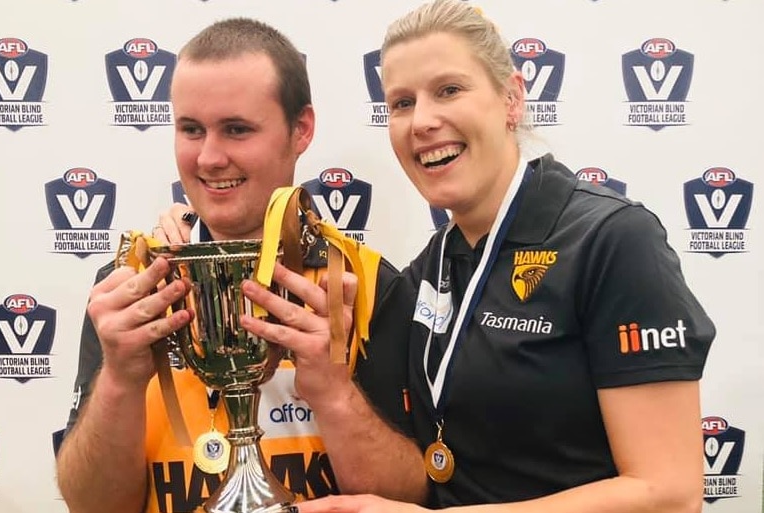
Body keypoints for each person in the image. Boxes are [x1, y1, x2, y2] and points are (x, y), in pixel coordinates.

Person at [236, 1, 716, 512]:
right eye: (401, 103)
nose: (422, 121)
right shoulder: (431, 265)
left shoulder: (612, 240)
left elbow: (668, 493)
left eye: (448, 90)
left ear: (511, 98)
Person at [55, 18, 425, 513]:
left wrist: (335, 394)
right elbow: (92, 506)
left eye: (236, 129)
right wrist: (120, 381)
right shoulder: (128, 288)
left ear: (301, 130)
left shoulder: (367, 283)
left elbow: (408, 500)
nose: (209, 157)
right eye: (191, 129)